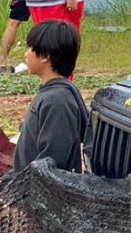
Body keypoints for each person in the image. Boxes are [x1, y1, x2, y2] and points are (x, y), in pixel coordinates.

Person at [12, 19, 88, 173]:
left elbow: (52, 162)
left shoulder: (57, 101)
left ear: (45, 55)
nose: (26, 53)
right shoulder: (54, 94)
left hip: (42, 192)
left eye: (30, 48)